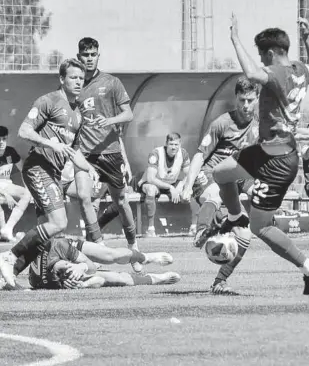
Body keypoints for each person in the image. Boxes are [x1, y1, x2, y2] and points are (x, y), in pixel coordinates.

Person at [210, 14, 309, 296]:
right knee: (219, 173)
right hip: (264, 150)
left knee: (261, 227)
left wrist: (235, 38)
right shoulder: (300, 70)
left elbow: (252, 74)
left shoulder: (280, 74)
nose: (261, 61)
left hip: (278, 160)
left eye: (263, 56)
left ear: (272, 53)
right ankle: (236, 217)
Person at [0, 59, 99, 288]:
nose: (78, 82)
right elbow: (24, 130)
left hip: (52, 174)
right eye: (73, 77)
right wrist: (51, 144)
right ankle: (10, 256)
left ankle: (10, 275)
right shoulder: (48, 101)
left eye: (81, 79)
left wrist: (90, 168)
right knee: (59, 222)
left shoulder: (78, 114)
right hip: (37, 167)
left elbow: (74, 152)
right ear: (62, 79)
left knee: (47, 236)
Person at [181, 76, 259, 294]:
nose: (245, 105)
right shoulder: (221, 123)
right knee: (215, 192)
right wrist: (187, 185)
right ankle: (202, 230)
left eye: (250, 100)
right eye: (242, 100)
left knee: (245, 236)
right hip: (208, 175)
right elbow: (199, 155)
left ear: (257, 99)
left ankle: (219, 282)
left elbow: (247, 169)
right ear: (235, 98)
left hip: (232, 180)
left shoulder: (257, 130)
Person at [74, 37, 142, 272]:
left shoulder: (111, 83)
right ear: (79, 56)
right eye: (85, 54)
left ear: (98, 56)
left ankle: (134, 248)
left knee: (121, 201)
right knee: (84, 197)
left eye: (93, 54)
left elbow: (129, 114)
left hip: (110, 152)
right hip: (85, 152)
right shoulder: (74, 84)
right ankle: (100, 249)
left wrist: (110, 120)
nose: (89, 58)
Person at [10, 237, 179, 290]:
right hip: (58, 269)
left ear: (62, 262)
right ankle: (156, 279)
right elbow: (100, 280)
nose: (69, 269)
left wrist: (82, 266)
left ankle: (145, 257)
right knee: (118, 279)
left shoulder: (59, 247)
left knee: (111, 255)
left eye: (67, 267)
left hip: (70, 246)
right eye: (68, 273)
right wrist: (85, 283)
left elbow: (89, 265)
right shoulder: (47, 283)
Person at [134, 132, 191, 237]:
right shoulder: (156, 153)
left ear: (180, 144)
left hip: (171, 183)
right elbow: (151, 178)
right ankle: (150, 229)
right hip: (152, 182)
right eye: (171, 144)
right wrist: (171, 188)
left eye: (176, 144)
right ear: (166, 144)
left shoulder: (183, 154)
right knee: (151, 190)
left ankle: (194, 226)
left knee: (190, 189)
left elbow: (190, 174)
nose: (173, 147)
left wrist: (181, 185)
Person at [0, 126, 32, 241]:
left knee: (27, 194)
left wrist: (28, 187)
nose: (1, 142)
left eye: (4, 139)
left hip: (6, 186)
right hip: (1, 189)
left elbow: (23, 170)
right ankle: (3, 230)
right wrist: (6, 194)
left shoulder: (10, 152)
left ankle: (7, 228)